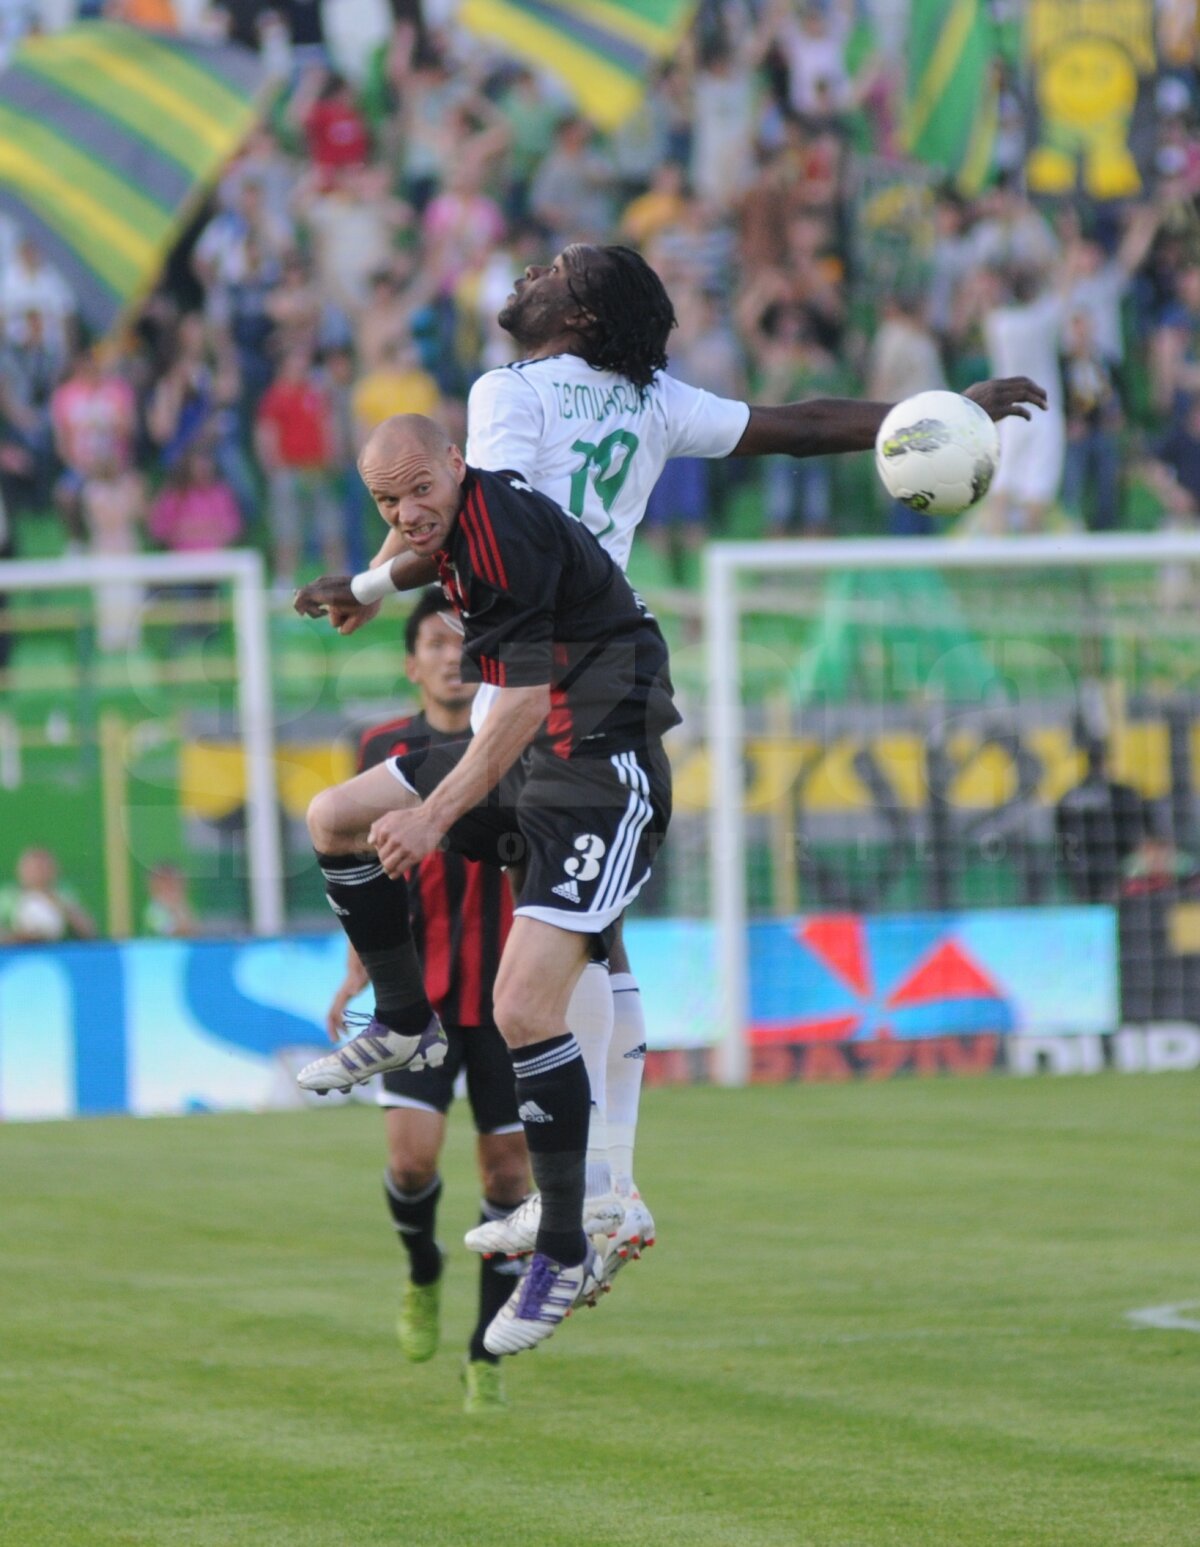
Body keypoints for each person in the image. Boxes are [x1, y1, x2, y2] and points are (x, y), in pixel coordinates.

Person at [295, 243, 1048, 1278]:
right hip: (608, 683)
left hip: (544, 690)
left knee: (544, 929)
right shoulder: (654, 404)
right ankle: (603, 1180)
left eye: (554, 270)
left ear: (585, 314)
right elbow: (797, 428)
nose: (530, 272)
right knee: (585, 931)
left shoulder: (509, 394)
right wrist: (927, 415)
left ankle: (590, 1184)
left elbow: (486, 533)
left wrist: (372, 583)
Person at [297, 413, 680, 1355]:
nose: (406, 513)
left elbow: (510, 701)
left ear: (457, 465)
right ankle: (400, 1015)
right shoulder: (459, 519)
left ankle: (562, 1248)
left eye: (419, 490)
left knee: (523, 1004)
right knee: (332, 817)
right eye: (385, 500)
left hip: (599, 765)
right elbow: (427, 551)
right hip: (534, 758)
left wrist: (432, 818)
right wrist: (366, 583)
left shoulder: (501, 534)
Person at [325, 587, 526, 1411]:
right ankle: (422, 1269)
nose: (451, 654)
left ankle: (485, 1354)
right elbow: (355, 861)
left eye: (463, 642)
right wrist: (355, 969)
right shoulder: (382, 747)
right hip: (421, 997)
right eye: (435, 642)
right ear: (411, 664)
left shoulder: (516, 737)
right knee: (411, 1160)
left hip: (513, 996)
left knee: (508, 1176)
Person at [1054, 742, 1146, 903]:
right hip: (1109, 865)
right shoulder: (1123, 794)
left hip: (1083, 867)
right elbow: (1135, 832)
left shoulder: (1070, 796)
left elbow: (1062, 836)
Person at [0, 847, 98, 944]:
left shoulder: (64, 895)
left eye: (43, 867)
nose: (38, 873)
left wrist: (57, 904)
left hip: (57, 954)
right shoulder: (7, 897)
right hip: (16, 956)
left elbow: (89, 933)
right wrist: (21, 937)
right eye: (33, 868)